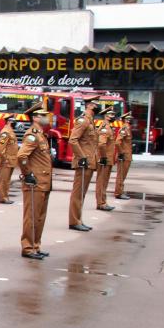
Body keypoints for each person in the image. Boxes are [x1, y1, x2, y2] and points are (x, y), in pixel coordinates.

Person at [17, 102, 54, 260]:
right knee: (31, 216)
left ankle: (35, 245)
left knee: (40, 216)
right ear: (36, 117)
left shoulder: (41, 135)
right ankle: (27, 247)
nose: (47, 117)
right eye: (44, 115)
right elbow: (21, 156)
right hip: (35, 183)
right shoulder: (32, 135)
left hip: (43, 182)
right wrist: (28, 174)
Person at [67, 98, 100, 231]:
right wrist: (82, 157)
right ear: (90, 105)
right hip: (83, 162)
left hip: (89, 162)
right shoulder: (83, 120)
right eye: (96, 104)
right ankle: (74, 221)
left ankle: (78, 219)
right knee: (78, 193)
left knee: (82, 193)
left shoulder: (90, 120)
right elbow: (73, 140)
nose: (99, 106)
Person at [94, 107, 117, 212]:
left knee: (104, 182)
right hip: (104, 159)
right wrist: (103, 157)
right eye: (111, 115)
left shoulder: (108, 126)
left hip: (107, 159)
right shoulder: (104, 127)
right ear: (106, 116)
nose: (113, 117)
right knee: (102, 181)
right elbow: (102, 144)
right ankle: (101, 203)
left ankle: (103, 201)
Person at [0, 114, 18, 204]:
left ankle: (6, 196)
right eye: (13, 121)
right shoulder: (5, 132)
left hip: (11, 160)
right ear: (9, 121)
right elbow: (1, 147)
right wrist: (5, 158)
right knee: (4, 180)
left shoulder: (11, 131)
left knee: (7, 181)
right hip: (6, 160)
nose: (15, 123)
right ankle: (3, 198)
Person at [114, 112, 133, 200]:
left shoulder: (128, 128)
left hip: (127, 155)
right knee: (121, 175)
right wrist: (121, 153)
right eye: (128, 119)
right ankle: (118, 192)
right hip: (124, 156)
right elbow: (118, 142)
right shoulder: (124, 128)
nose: (130, 120)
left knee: (123, 175)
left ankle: (120, 191)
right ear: (125, 120)